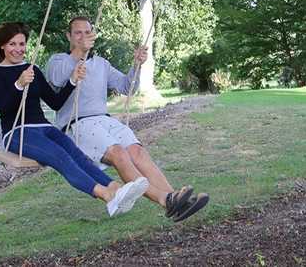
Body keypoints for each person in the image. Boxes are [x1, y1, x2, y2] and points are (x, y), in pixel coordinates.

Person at [46, 17, 208, 222]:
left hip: (104, 120)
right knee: (118, 153)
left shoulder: (102, 64)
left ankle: (176, 199)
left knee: (137, 151)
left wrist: (137, 65)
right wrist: (79, 52)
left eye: (87, 32)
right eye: (77, 33)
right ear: (68, 36)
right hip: (78, 123)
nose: (83, 37)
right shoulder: (58, 61)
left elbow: (125, 86)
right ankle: (165, 199)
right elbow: (57, 78)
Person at [0, 22, 148, 217]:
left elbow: (55, 103)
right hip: (17, 132)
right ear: (2, 45)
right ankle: (106, 195)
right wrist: (19, 84)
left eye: (21, 44)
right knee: (59, 156)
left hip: (45, 128)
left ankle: (116, 188)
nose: (18, 49)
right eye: (12, 44)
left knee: (77, 155)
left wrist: (71, 80)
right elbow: (5, 106)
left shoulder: (31, 68)